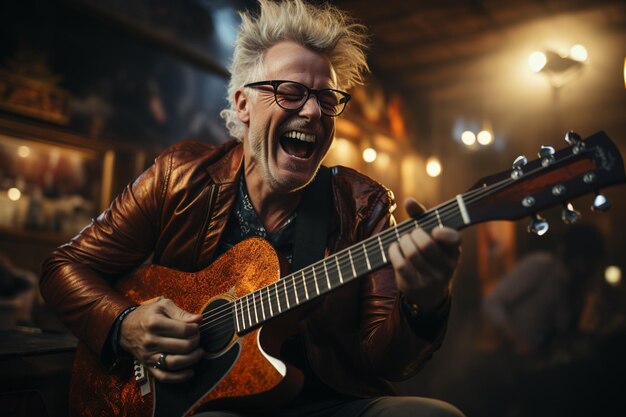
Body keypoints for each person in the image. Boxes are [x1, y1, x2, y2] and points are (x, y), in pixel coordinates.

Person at [40, 1, 463, 416]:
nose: (314, 110)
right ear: (243, 105)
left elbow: (386, 363)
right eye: (291, 92)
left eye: (327, 98)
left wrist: (423, 304)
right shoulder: (179, 177)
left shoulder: (362, 205)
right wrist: (123, 324)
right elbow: (64, 267)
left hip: (326, 401)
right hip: (192, 402)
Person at [482, 223, 605, 358]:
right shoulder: (540, 266)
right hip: (511, 361)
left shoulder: (576, 288)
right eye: (585, 258)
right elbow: (492, 303)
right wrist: (517, 342)